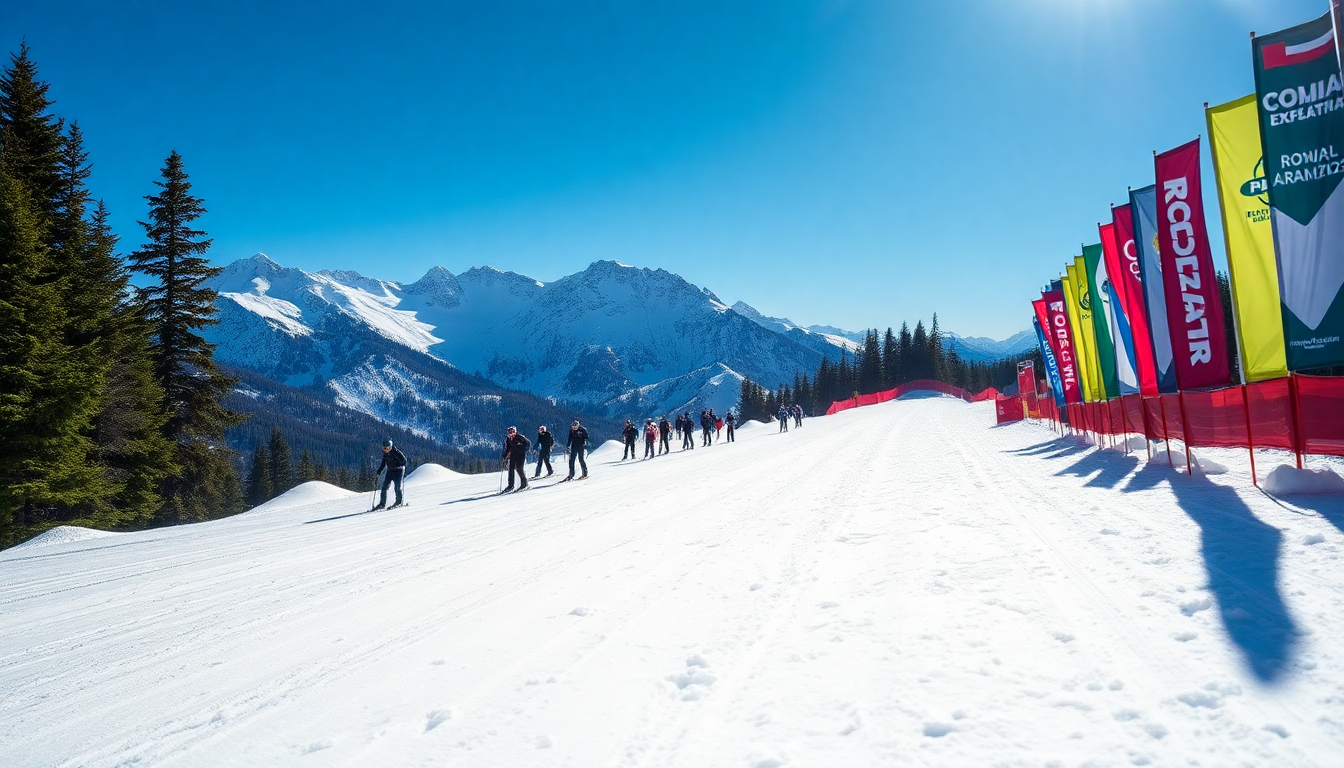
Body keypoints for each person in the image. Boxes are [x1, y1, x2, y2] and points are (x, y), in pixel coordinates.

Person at [373, 438, 408, 509]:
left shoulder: (396, 452)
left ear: (390, 447)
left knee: (397, 487)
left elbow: (404, 460)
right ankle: (382, 504)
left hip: (398, 471)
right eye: (383, 448)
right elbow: (383, 463)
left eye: (386, 448)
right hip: (390, 471)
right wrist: (379, 472)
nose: (384, 450)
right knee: (384, 487)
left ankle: (398, 502)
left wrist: (402, 464)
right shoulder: (386, 454)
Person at [501, 426, 530, 492]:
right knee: (511, 469)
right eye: (509, 432)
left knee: (519, 469)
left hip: (520, 455)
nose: (510, 433)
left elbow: (528, 443)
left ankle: (524, 483)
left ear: (515, 431)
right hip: (513, 455)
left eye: (512, 432)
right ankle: (510, 485)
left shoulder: (520, 437)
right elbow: (507, 448)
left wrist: (523, 449)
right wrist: (505, 456)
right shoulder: (509, 439)